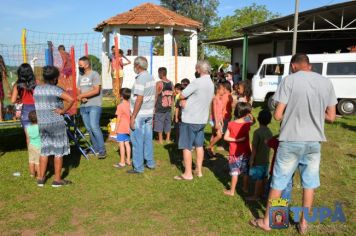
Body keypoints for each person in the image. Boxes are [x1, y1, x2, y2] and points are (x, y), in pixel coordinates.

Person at [249, 53, 337, 234]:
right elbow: (331, 117)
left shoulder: (289, 80)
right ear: (309, 65)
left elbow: (277, 115)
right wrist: (313, 111)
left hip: (290, 140)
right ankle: (304, 224)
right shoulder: (326, 82)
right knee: (309, 183)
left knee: (279, 182)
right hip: (314, 142)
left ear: (294, 66)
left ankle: (268, 222)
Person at [34, 66, 74, 187]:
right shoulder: (55, 90)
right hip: (56, 123)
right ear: (55, 78)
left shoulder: (37, 89)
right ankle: (57, 180)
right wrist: (63, 111)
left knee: (45, 150)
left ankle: (41, 178)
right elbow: (71, 99)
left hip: (42, 123)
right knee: (58, 152)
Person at [174, 60, 214, 180]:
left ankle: (188, 174)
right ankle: (199, 170)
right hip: (202, 119)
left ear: (200, 70)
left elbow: (181, 95)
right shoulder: (211, 83)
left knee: (187, 146)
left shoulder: (197, 82)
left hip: (191, 119)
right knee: (199, 145)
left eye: (197, 69)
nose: (196, 71)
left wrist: (181, 100)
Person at [129, 56, 156, 174]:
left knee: (137, 141)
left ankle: (138, 167)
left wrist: (133, 116)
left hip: (140, 114)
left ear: (138, 66)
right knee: (148, 139)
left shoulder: (140, 79)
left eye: (134, 65)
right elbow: (154, 95)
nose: (134, 68)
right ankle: (150, 162)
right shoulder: (151, 77)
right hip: (149, 112)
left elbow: (139, 98)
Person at [77, 56, 106, 159]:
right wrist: (81, 97)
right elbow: (78, 90)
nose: (79, 66)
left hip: (94, 104)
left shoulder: (95, 74)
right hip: (83, 106)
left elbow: (96, 90)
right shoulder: (80, 76)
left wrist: (84, 96)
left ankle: (102, 150)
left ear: (87, 65)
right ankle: (95, 148)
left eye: (80, 65)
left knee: (94, 126)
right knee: (89, 128)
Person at [223, 102, 253, 196]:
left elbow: (225, 137)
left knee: (235, 172)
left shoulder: (231, 124)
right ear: (247, 113)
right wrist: (249, 116)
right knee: (245, 172)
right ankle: (245, 188)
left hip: (234, 153)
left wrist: (236, 140)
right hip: (246, 152)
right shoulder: (247, 123)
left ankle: (231, 191)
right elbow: (253, 120)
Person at [246, 110, 273, 201]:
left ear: (258, 119)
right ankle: (263, 194)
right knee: (264, 177)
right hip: (266, 160)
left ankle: (256, 196)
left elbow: (254, 149)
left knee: (258, 179)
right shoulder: (270, 132)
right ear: (269, 121)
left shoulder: (257, 132)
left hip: (258, 160)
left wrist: (252, 159)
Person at [11, 63, 36, 131]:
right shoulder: (36, 83)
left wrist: (19, 100)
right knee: (40, 133)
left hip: (26, 110)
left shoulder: (18, 85)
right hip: (37, 108)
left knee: (29, 136)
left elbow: (13, 100)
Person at [113, 88, 131, 168]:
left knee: (121, 144)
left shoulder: (120, 106)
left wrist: (115, 129)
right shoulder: (130, 105)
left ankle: (122, 162)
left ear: (121, 96)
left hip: (121, 128)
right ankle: (128, 160)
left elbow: (118, 119)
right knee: (127, 143)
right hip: (129, 128)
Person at [154, 67, 173, 144]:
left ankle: (160, 140)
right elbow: (173, 95)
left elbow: (155, 96)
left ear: (160, 74)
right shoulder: (171, 83)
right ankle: (168, 139)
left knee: (159, 123)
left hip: (160, 107)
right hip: (168, 107)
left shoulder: (159, 83)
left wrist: (153, 107)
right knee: (168, 123)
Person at [207, 82, 226, 157]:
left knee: (214, 135)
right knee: (219, 135)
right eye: (222, 89)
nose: (224, 91)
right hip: (214, 120)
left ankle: (210, 150)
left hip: (218, 120)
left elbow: (220, 111)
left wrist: (221, 120)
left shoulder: (220, 99)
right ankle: (208, 147)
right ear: (218, 90)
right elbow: (214, 112)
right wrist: (216, 122)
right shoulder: (215, 99)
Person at [174, 79, 190, 144]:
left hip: (189, 117)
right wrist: (176, 117)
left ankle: (188, 143)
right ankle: (179, 144)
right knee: (179, 131)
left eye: (186, 84)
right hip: (181, 117)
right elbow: (177, 107)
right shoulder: (180, 95)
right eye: (183, 85)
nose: (184, 86)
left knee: (188, 131)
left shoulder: (191, 94)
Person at [26, 110, 41, 178]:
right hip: (38, 146)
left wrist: (28, 146)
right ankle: (39, 175)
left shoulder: (27, 128)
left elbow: (28, 138)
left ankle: (32, 174)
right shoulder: (40, 127)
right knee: (38, 162)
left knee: (31, 160)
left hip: (31, 145)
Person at [0, 55, 11, 121]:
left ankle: (1, 117)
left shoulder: (2, 69)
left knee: (1, 102)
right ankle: (1, 118)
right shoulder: (2, 69)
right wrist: (9, 89)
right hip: (0, 87)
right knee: (1, 102)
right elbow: (5, 79)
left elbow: (4, 79)